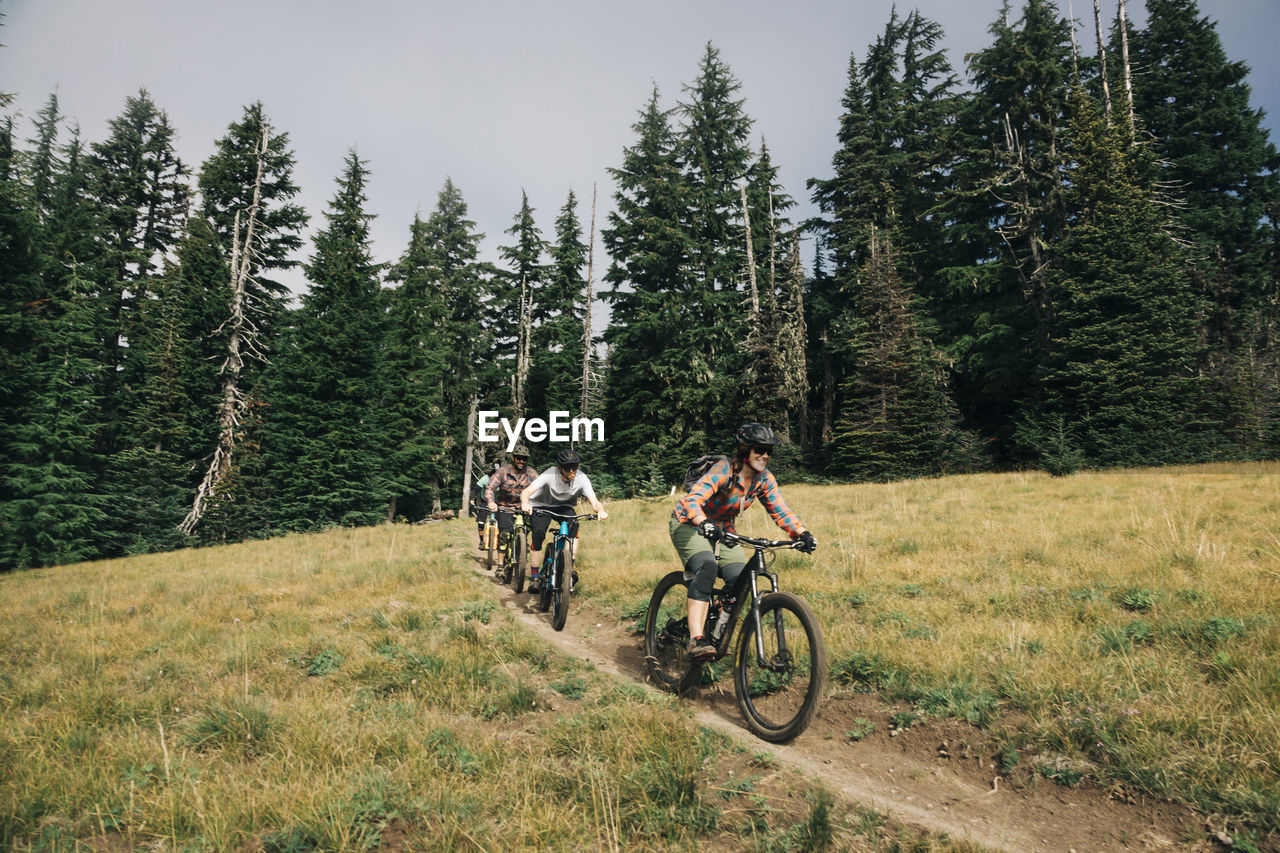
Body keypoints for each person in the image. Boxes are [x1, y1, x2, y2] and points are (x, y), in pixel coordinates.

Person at [670, 423, 817, 659]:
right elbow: (692, 500)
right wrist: (703, 521)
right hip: (689, 523)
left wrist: (801, 533)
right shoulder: (723, 470)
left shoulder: (764, 479)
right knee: (707, 567)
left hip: (724, 530)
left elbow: (780, 510)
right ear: (744, 450)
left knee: (739, 580)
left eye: (770, 451)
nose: (765, 456)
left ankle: (717, 626)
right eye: (760, 449)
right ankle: (696, 640)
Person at [520, 449, 608, 593]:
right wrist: (525, 503)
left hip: (564, 507)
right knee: (538, 533)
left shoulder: (582, 478)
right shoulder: (550, 474)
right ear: (560, 468)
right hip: (542, 505)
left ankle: (569, 568)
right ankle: (535, 577)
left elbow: (595, 501)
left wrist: (601, 511)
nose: (572, 470)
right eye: (568, 467)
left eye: (575, 466)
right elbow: (526, 492)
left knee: (574, 524)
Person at [484, 446, 537, 573]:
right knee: (504, 535)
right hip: (505, 508)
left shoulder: (531, 473)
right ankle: (501, 566)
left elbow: (540, 489)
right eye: (518, 458)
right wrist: (491, 502)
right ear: (513, 458)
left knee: (532, 527)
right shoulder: (503, 471)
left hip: (523, 508)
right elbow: (490, 488)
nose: (521, 461)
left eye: (524, 459)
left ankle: (522, 547)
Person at [473, 462, 500, 548]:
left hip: (497, 502)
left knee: (503, 522)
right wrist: (471, 500)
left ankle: (501, 541)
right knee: (481, 522)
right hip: (485, 501)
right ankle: (481, 541)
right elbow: (475, 490)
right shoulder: (485, 478)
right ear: (491, 472)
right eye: (494, 473)